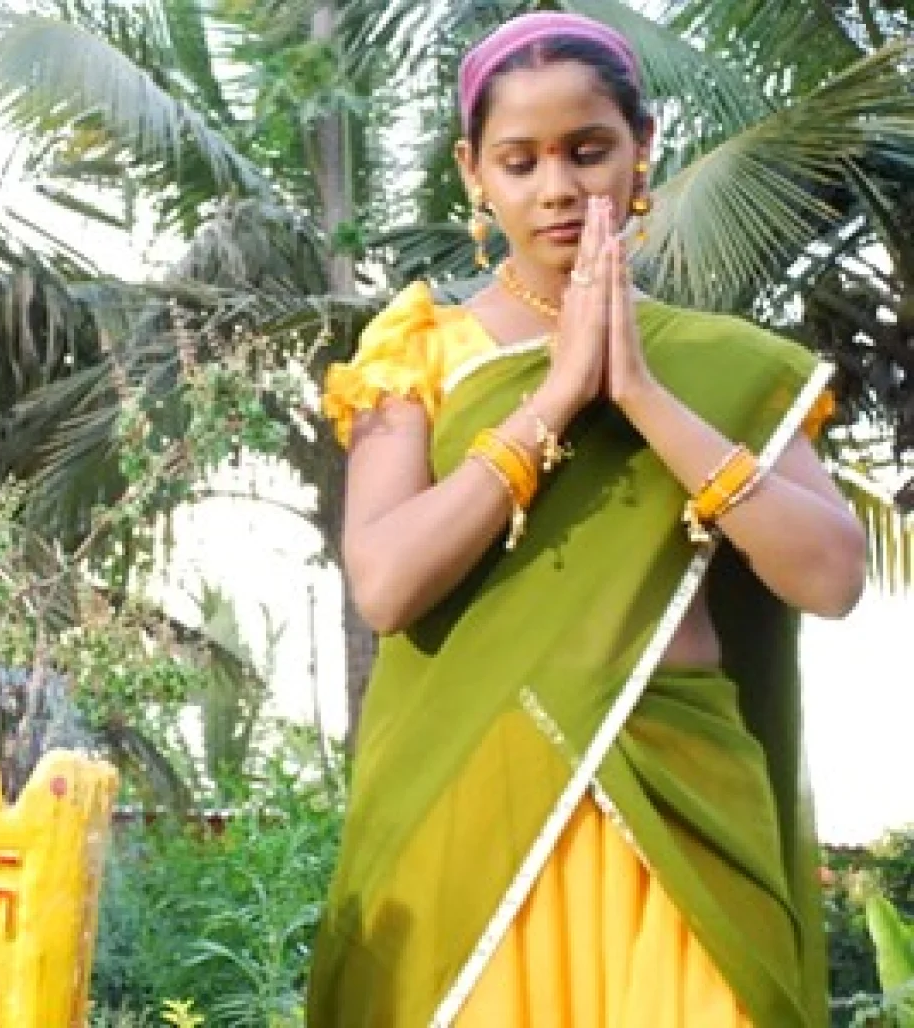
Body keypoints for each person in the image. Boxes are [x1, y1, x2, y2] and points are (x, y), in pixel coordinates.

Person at [307, 11, 866, 1028]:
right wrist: (558, 396)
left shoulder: (726, 365)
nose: (558, 187)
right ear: (474, 172)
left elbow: (831, 577)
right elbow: (384, 583)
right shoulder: (419, 351)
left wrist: (642, 393)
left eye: (588, 149)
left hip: (683, 796)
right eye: (520, 161)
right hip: (476, 803)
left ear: (642, 147)